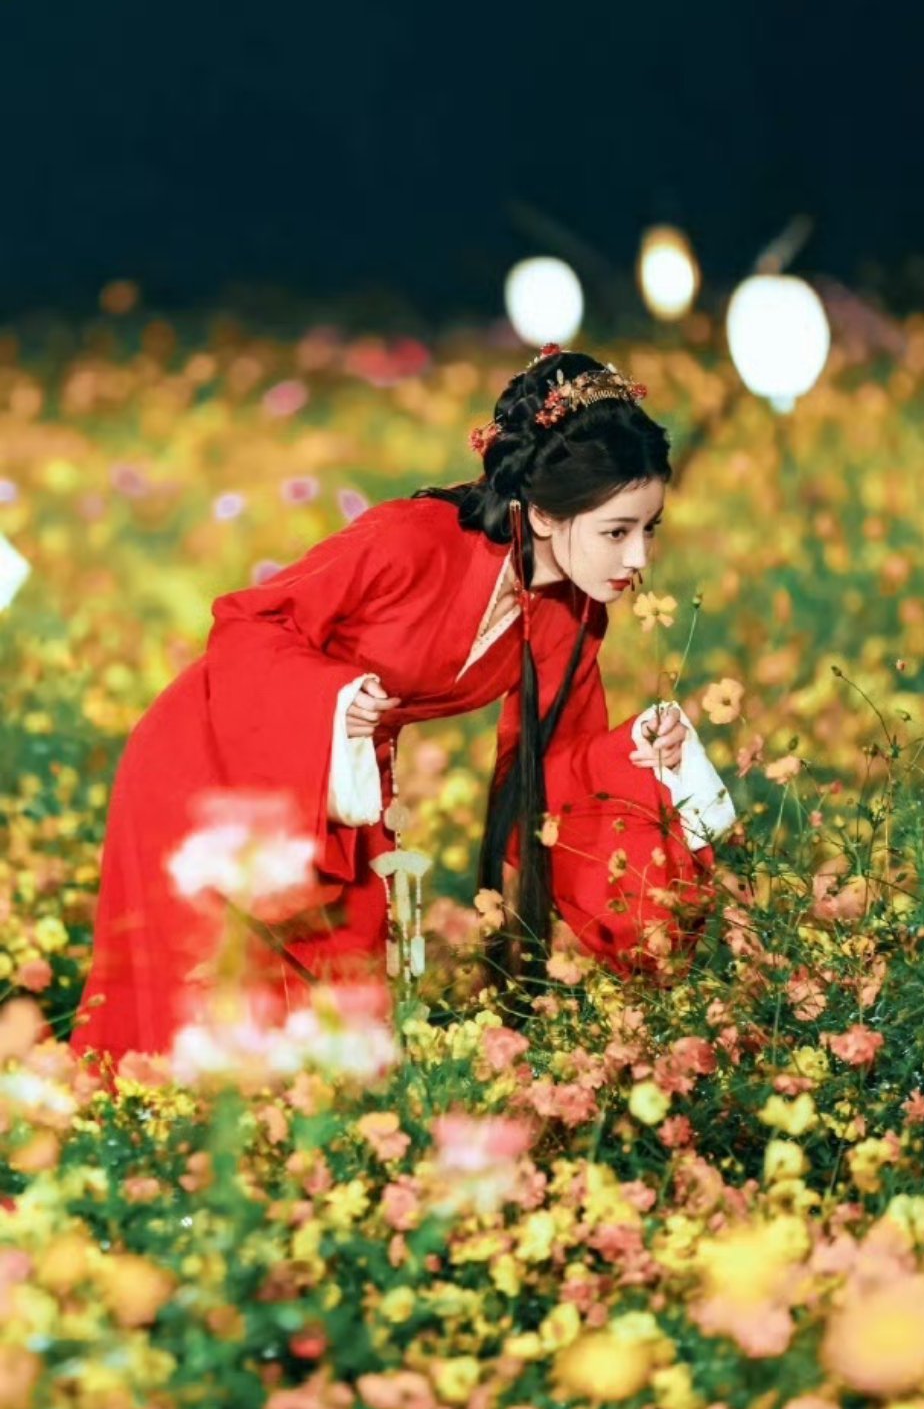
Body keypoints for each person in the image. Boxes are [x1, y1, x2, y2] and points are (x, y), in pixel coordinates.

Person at [70, 345, 735, 1063]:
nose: (638, 559)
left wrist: (641, 752)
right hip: (219, 757)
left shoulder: (570, 614)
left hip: (335, 782)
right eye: (616, 531)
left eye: (648, 529)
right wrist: (330, 697)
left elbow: (551, 772)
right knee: (197, 1022)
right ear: (544, 513)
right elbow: (250, 622)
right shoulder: (410, 539)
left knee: (336, 1029)